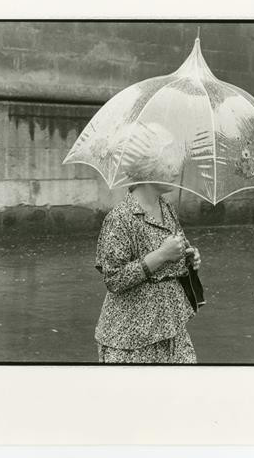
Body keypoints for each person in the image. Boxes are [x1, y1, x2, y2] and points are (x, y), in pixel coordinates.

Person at [94, 122, 202, 364]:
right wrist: (161, 255)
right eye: (167, 163)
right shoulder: (121, 218)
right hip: (132, 340)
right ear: (148, 167)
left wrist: (188, 256)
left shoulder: (167, 208)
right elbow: (114, 279)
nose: (175, 171)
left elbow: (176, 253)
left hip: (172, 329)